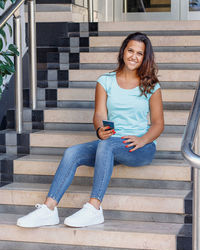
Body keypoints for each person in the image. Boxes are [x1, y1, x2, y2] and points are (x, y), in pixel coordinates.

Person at [17, 32, 164, 228]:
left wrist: (143, 140)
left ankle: (94, 208)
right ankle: (49, 209)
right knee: (73, 152)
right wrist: (100, 129)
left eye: (140, 53)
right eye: (130, 50)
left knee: (107, 146)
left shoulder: (151, 86)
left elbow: (158, 123)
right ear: (123, 52)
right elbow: (100, 115)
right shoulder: (106, 81)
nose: (134, 56)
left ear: (145, 57)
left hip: (140, 147)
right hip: (112, 142)